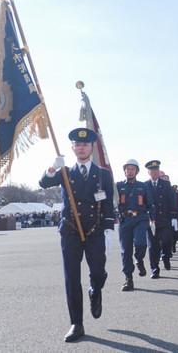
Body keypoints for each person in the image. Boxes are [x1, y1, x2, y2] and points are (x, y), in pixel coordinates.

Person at [39, 128, 115, 342]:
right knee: (71, 278)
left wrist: (109, 227)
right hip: (70, 230)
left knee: (98, 272)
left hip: (95, 230)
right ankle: (76, 323)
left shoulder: (103, 173)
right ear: (72, 148)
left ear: (92, 148)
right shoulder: (65, 172)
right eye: (77, 144)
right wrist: (53, 167)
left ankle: (95, 290)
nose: (81, 147)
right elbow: (44, 183)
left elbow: (108, 201)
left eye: (85, 144)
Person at [117, 159, 155, 291]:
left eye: (132, 169)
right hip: (125, 220)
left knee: (141, 243)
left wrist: (153, 220)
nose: (129, 171)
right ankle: (129, 279)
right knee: (125, 250)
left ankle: (139, 259)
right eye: (127, 169)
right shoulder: (118, 186)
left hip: (140, 218)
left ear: (137, 171)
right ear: (124, 171)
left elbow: (150, 204)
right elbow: (110, 199)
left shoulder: (143, 186)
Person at [144, 160, 177, 278]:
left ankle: (166, 257)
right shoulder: (144, 185)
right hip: (151, 220)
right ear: (148, 172)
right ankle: (154, 268)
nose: (155, 172)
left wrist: (174, 216)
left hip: (165, 219)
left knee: (167, 241)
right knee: (153, 246)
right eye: (152, 170)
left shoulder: (166, 185)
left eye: (157, 170)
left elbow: (172, 201)